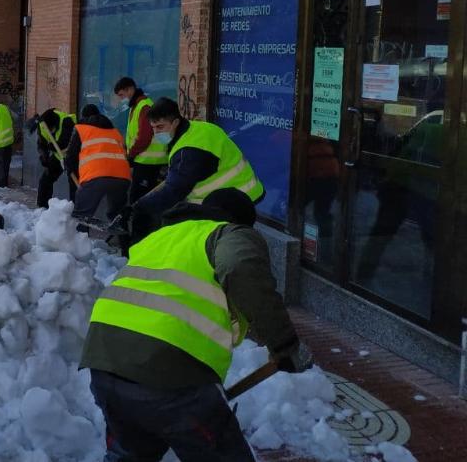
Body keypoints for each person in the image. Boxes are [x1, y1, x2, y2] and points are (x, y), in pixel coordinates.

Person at [81, 188, 311, 461]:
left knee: (131, 453)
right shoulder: (227, 233)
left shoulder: (163, 236)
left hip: (104, 360)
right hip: (168, 373)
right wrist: (284, 344)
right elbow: (238, 266)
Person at [128, 97, 264, 237]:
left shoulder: (189, 151)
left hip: (233, 204)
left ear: (175, 122)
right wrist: (139, 203)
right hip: (239, 195)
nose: (156, 133)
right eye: (153, 128)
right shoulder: (197, 129)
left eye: (160, 127)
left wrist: (140, 208)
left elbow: (173, 191)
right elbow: (172, 181)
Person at [64, 104, 130, 226]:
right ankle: (125, 242)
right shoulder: (115, 131)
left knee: (81, 216)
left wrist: (68, 167)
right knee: (117, 216)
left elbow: (71, 155)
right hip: (123, 177)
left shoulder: (81, 129)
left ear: (83, 116)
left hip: (96, 177)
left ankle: (78, 243)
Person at [114, 76, 168, 202]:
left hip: (149, 163)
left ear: (130, 90)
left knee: (138, 199)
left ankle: (141, 222)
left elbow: (144, 137)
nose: (122, 99)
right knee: (143, 199)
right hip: (144, 161)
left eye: (122, 95)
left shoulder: (144, 107)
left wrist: (131, 155)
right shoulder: (136, 106)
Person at [27, 108, 77, 209]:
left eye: (52, 129)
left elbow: (63, 144)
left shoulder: (66, 122)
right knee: (46, 179)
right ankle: (42, 207)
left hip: (72, 157)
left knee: (74, 183)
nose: (50, 131)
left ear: (55, 124)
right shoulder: (43, 125)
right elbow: (41, 144)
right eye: (49, 129)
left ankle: (76, 211)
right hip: (58, 156)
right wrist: (44, 156)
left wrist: (50, 146)